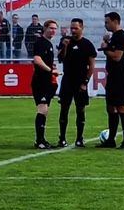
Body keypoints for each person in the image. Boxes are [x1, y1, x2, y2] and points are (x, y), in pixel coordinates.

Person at [56, 18, 96, 148]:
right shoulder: (65, 41)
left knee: (80, 109)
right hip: (67, 80)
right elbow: (60, 58)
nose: (73, 30)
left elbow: (91, 65)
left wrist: (85, 82)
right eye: (71, 28)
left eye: (76, 28)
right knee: (64, 109)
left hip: (80, 81)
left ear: (82, 28)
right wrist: (65, 46)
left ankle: (79, 138)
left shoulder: (87, 44)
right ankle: (62, 138)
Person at [98, 11, 124, 149]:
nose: (105, 25)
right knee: (110, 107)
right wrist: (107, 43)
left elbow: (117, 56)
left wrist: (105, 49)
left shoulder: (121, 37)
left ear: (115, 21)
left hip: (120, 76)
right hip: (112, 75)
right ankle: (111, 140)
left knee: (121, 106)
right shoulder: (114, 37)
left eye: (107, 22)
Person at [30, 18, 59, 149]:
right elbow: (37, 59)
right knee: (42, 109)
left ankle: (41, 139)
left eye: (55, 29)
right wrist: (50, 70)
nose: (53, 31)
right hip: (40, 81)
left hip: (47, 82)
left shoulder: (48, 44)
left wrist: (52, 69)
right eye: (51, 28)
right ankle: (39, 141)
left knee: (45, 110)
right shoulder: (40, 43)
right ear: (45, 28)